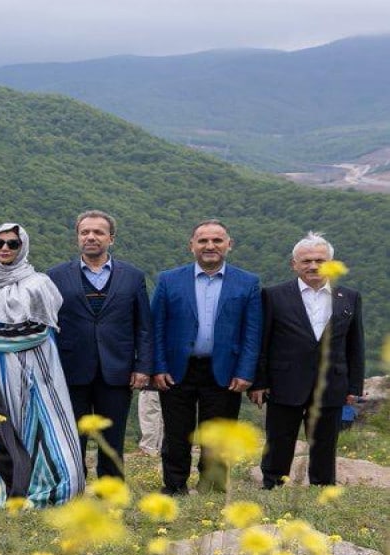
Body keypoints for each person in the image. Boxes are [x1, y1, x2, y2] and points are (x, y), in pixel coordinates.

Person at [0, 223, 85, 507]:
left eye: (12, 244)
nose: (4, 249)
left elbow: (38, 330)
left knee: (34, 430)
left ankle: (42, 492)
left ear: (22, 246)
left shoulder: (37, 284)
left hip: (27, 372)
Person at [151, 219, 262, 495]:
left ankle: (212, 487)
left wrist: (246, 371)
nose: (210, 246)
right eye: (203, 241)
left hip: (225, 370)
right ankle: (174, 486)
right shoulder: (169, 280)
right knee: (177, 433)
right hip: (178, 369)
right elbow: (156, 328)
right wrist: (158, 366)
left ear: (229, 245)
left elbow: (252, 332)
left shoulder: (247, 282)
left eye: (217, 240)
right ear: (192, 246)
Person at [250, 233, 364, 488]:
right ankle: (271, 484)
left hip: (331, 382)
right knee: (279, 438)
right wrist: (259, 382)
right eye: (306, 261)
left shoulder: (349, 297)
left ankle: (322, 486)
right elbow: (262, 341)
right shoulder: (273, 295)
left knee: (325, 440)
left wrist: (354, 387)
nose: (313, 266)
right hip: (284, 381)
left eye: (320, 260)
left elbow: (355, 345)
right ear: (294, 264)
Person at [47, 211, 152, 479]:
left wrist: (143, 367)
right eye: (85, 232)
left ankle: (111, 491)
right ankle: (72, 488)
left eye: (98, 232)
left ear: (111, 238)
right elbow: (47, 325)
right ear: (77, 238)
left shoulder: (133, 276)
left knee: (112, 437)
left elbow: (143, 326)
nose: (91, 237)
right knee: (72, 435)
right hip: (70, 370)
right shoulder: (55, 276)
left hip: (117, 370)